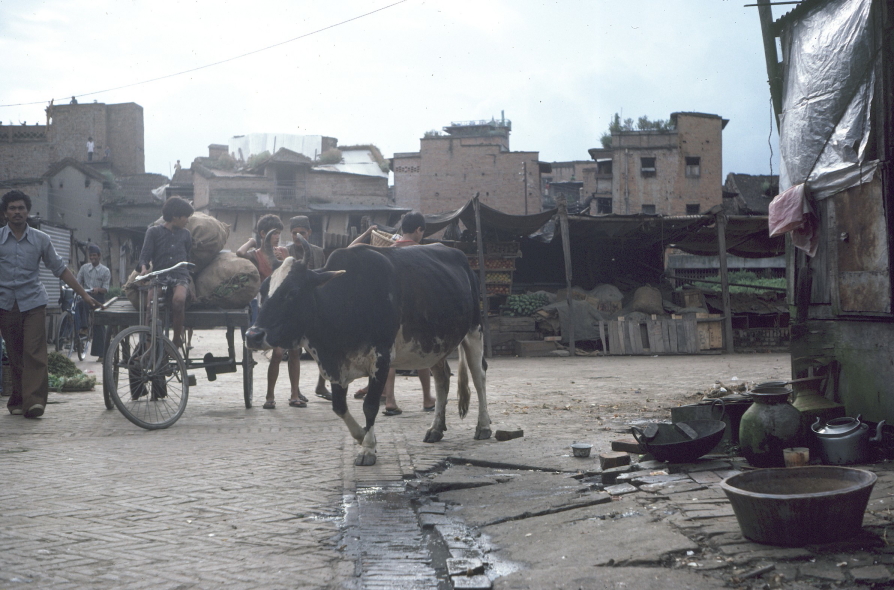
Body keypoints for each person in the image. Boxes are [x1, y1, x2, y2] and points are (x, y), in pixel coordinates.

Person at [0, 190, 99, 418]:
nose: (17, 212)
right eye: (13, 208)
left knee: (34, 352)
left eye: (21, 208)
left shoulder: (40, 239)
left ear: (27, 212)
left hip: (34, 303)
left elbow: (60, 269)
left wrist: (84, 295)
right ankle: (17, 398)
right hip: (6, 304)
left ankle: (34, 403)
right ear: (5, 213)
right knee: (15, 354)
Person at [351, 212, 434, 416]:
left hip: (390, 311)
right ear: (418, 230)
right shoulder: (423, 253)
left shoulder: (387, 251)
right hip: (417, 311)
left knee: (388, 356)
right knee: (425, 354)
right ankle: (427, 398)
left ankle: (390, 400)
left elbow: (351, 248)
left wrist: (368, 233)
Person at [236, 215, 304, 410]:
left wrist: (285, 262)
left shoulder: (283, 252)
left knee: (295, 351)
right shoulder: (256, 255)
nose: (277, 238)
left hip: (288, 309)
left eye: (279, 234)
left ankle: (294, 394)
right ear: (263, 234)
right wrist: (253, 240)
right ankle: (269, 395)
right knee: (277, 352)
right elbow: (240, 253)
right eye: (274, 234)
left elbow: (294, 274)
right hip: (270, 311)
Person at [281, 216, 331, 401]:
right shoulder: (285, 252)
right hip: (293, 309)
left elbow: (322, 277)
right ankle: (295, 392)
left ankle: (321, 386)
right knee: (294, 351)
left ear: (309, 233)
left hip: (314, 307)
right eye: (294, 233)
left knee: (324, 348)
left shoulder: (318, 252)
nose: (298, 236)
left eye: (302, 232)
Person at [137, 196, 193, 349]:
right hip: (159, 275)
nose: (187, 220)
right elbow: (144, 257)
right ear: (175, 216)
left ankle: (176, 339)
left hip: (180, 275)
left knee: (179, 301)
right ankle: (148, 342)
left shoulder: (186, 234)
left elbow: (188, 257)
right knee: (151, 305)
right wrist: (143, 270)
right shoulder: (153, 232)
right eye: (185, 217)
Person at [76, 243, 111, 361]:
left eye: (94, 255)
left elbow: (106, 288)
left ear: (99, 256)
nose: (92, 258)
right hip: (86, 295)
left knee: (99, 323)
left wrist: (98, 289)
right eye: (90, 255)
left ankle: (101, 354)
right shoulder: (84, 268)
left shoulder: (105, 271)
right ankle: (84, 328)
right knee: (80, 304)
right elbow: (77, 281)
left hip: (99, 299)